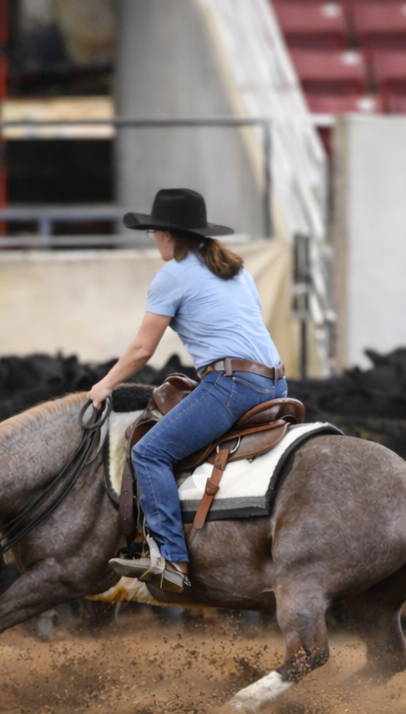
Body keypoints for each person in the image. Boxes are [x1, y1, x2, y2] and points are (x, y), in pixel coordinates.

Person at [87, 188, 287, 593]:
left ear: (166, 234)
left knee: (149, 451)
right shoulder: (236, 270)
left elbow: (143, 348)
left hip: (232, 384)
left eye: (154, 232)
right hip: (276, 382)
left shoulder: (172, 276)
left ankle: (171, 560)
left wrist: (104, 384)